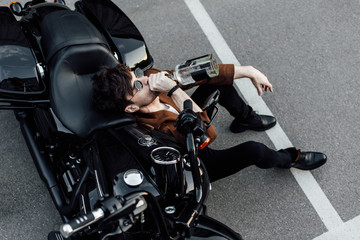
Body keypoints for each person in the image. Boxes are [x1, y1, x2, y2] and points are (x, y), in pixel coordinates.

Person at [92, 63, 327, 182]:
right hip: (197, 159)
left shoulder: (151, 82)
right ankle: (289, 159)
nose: (145, 79)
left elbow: (198, 70)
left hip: (192, 124)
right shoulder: (152, 130)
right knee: (254, 150)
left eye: (136, 75)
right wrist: (173, 90)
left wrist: (249, 71)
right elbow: (206, 132)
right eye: (137, 85)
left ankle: (244, 118)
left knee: (217, 83)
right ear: (131, 107)